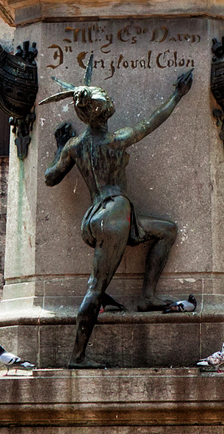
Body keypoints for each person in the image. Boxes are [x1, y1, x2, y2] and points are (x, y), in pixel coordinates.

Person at [42, 71, 194, 365]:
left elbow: (50, 178)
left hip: (97, 215)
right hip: (115, 213)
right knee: (96, 288)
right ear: (105, 111)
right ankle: (77, 356)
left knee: (167, 231)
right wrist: (177, 95)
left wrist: (61, 147)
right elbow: (152, 121)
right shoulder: (115, 140)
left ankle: (147, 296)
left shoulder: (75, 146)